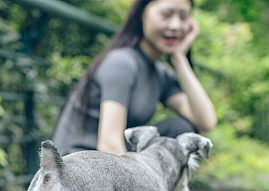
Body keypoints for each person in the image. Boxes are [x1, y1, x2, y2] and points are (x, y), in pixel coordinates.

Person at [52, 0, 217, 157]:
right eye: (166, 15)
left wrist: (179, 59)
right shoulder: (122, 62)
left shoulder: (159, 74)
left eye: (183, 17)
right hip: (76, 172)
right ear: (141, 14)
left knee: (181, 130)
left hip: (110, 165)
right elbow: (108, 145)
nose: (175, 25)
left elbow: (205, 121)